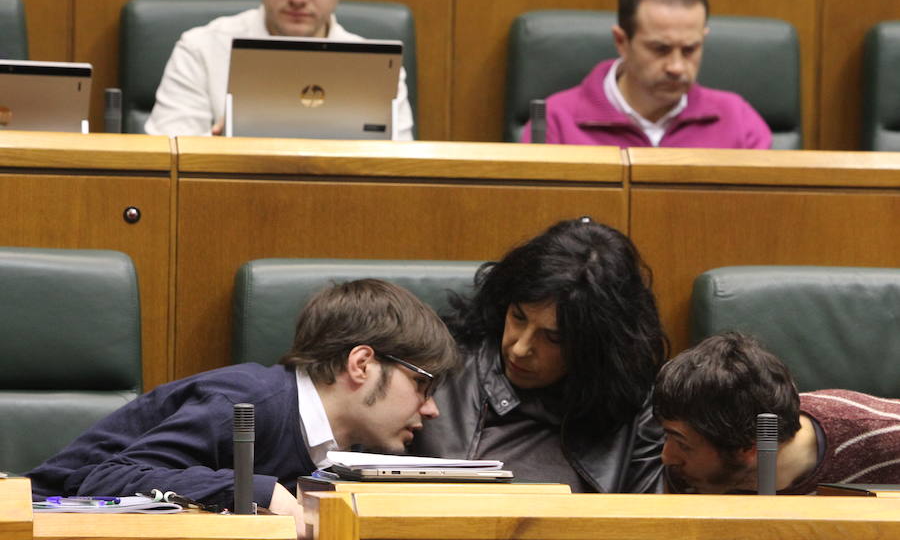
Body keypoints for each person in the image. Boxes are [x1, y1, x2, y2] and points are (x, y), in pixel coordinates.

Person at [27, 279, 457, 532]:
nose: (432, 409)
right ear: (362, 364)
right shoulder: (245, 402)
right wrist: (258, 489)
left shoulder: (349, 450)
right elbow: (104, 480)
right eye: (422, 383)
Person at [411, 217, 670, 492]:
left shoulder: (637, 414)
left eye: (554, 337)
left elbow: (648, 522)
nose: (520, 348)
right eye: (518, 317)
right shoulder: (440, 368)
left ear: (598, 347)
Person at [144, 0, 414, 140]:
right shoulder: (200, 50)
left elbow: (399, 175)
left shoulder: (379, 69)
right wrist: (219, 148)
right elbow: (164, 165)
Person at [521, 0, 771, 149]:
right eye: (660, 49)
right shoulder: (556, 121)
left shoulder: (738, 119)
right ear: (621, 42)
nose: (676, 67)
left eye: (690, 49)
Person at [653, 332, 900, 494]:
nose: (667, 457)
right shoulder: (686, 475)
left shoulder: (885, 434)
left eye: (682, 444)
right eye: (668, 436)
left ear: (749, 448)